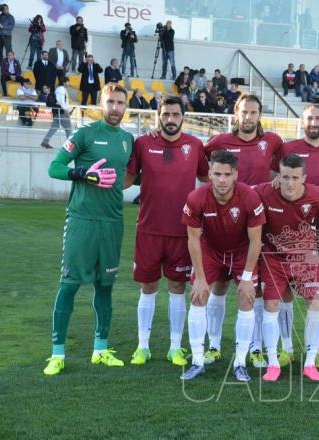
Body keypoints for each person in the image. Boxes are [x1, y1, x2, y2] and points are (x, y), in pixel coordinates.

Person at [42, 82, 134, 376]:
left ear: (125, 106)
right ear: (101, 104)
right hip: (82, 221)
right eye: (110, 102)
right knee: (69, 284)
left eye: (120, 103)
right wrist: (83, 174)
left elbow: (131, 175)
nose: (115, 108)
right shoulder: (84, 134)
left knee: (105, 286)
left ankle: (100, 349)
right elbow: (55, 167)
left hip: (112, 222)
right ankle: (57, 354)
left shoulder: (127, 140)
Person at [124, 95, 209, 367]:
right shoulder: (143, 143)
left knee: (176, 287)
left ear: (183, 117)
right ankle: (142, 347)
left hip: (182, 231)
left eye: (175, 114)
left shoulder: (195, 146)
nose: (170, 119)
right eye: (165, 115)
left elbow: (210, 178)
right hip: (148, 229)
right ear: (158, 117)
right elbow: (126, 177)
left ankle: (175, 347)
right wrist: (101, 186)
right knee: (148, 287)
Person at [202, 94, 283, 366]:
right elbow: (201, 166)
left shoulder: (271, 141)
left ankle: (255, 347)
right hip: (222, 225)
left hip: (257, 227)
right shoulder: (218, 142)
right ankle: (213, 346)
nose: (248, 117)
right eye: (244, 112)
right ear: (235, 113)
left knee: (255, 288)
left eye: (254, 112)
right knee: (219, 285)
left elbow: (288, 164)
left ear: (260, 115)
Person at [271, 104, 319, 370]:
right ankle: (286, 348)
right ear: (301, 122)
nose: (314, 122)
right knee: (285, 292)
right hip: (290, 229)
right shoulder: (287, 148)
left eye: (318, 118)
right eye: (309, 118)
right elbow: (274, 178)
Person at [180, 150, 265, 381]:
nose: (222, 180)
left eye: (227, 174)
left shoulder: (249, 197)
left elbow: (256, 240)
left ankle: (240, 362)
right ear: (209, 174)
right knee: (198, 296)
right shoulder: (197, 197)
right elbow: (193, 238)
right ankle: (198, 360)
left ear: (236, 174)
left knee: (247, 297)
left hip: (241, 251)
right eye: (217, 174)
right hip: (211, 250)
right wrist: (199, 277)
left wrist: (247, 277)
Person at [254, 153, 319, 382]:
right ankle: (273, 364)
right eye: (285, 177)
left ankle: (310, 363)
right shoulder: (263, 191)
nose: (290, 183)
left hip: (305, 257)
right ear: (278, 176)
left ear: (304, 178)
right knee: (271, 304)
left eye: (295, 178)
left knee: (316, 303)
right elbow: (241, 192)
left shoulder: (317, 195)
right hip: (273, 258)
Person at [41, 77, 73, 149]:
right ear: (64, 82)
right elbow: (60, 101)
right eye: (68, 82)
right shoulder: (61, 89)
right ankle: (70, 145)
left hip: (58, 111)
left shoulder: (60, 89)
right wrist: (66, 110)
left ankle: (45, 141)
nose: (69, 83)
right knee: (68, 128)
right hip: (61, 112)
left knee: (54, 127)